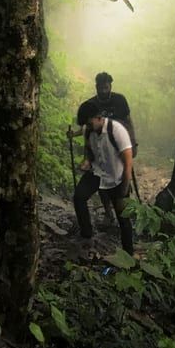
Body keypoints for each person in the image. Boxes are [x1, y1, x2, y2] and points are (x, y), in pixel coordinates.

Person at [71, 71, 136, 222]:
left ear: (110, 86)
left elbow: (128, 121)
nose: (103, 91)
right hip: (102, 146)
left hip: (119, 143)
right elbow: (88, 126)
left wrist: (133, 142)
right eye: (101, 87)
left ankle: (124, 209)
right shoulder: (93, 104)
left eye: (106, 87)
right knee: (101, 179)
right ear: (96, 87)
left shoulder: (120, 100)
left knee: (122, 174)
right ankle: (108, 212)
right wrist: (74, 134)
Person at [72, 98, 135, 254]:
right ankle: (86, 234)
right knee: (79, 197)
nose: (88, 127)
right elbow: (90, 155)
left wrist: (124, 190)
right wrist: (86, 163)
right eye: (85, 125)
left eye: (89, 123)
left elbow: (128, 164)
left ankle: (129, 254)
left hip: (117, 178)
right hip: (97, 173)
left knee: (123, 218)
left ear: (99, 117)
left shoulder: (117, 131)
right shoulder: (88, 130)